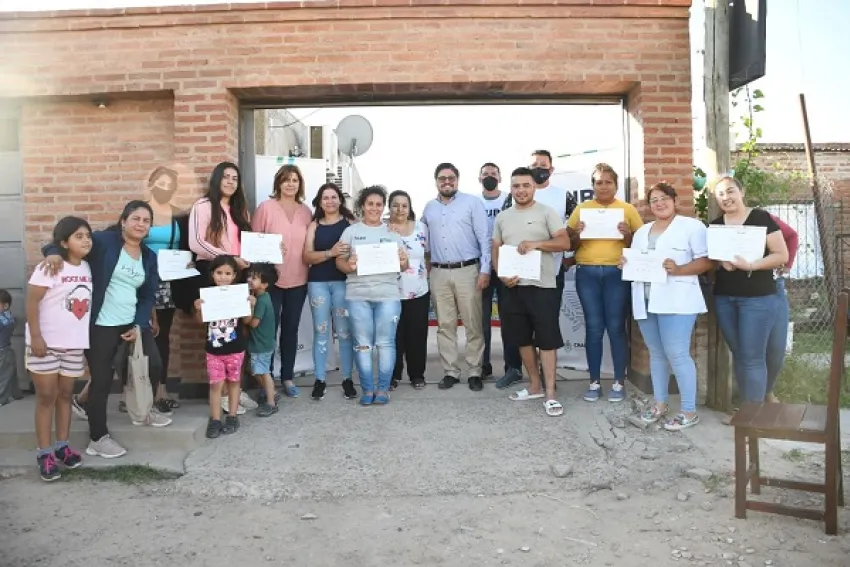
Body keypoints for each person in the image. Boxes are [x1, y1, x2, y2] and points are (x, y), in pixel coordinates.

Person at [42, 201, 170, 459]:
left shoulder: (149, 257)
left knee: (154, 365)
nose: (140, 224)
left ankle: (144, 409)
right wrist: (52, 253)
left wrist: (139, 323)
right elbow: (66, 241)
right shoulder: (104, 242)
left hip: (132, 321)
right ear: (123, 221)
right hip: (101, 324)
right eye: (135, 219)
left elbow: (147, 296)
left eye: (146, 220)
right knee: (102, 380)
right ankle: (98, 437)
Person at [624, 183, 712, 431]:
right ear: (649, 206)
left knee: (677, 353)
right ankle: (660, 403)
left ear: (675, 201)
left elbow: (707, 261)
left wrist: (680, 269)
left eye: (664, 198)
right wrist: (626, 263)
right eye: (654, 200)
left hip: (678, 299)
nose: (659, 203)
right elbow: (638, 261)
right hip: (646, 300)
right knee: (656, 353)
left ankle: (689, 411)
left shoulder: (692, 227)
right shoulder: (642, 232)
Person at [492, 167, 571, 417]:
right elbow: (496, 248)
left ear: (534, 187)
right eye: (516, 186)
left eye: (526, 185)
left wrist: (537, 244)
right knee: (523, 339)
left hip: (542, 287)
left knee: (546, 340)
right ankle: (535, 386)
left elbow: (564, 242)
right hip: (513, 288)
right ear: (511, 189)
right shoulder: (502, 217)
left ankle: (550, 394)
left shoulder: (547, 212)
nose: (521, 190)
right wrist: (501, 274)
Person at [567, 163, 643, 403]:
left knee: (616, 327)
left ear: (616, 185)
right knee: (593, 328)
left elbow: (641, 245)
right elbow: (570, 244)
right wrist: (576, 234)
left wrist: (627, 235)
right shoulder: (582, 209)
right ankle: (594, 382)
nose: (603, 186)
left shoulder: (627, 209)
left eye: (608, 182)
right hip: (587, 273)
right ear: (593, 186)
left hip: (616, 273)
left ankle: (619, 382)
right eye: (598, 182)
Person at [711, 176, 788, 404]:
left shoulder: (760, 218)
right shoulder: (715, 226)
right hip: (725, 298)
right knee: (741, 355)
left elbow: (781, 255)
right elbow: (711, 258)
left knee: (752, 358)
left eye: (730, 191)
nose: (726, 197)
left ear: (741, 192)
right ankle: (749, 409)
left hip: (758, 298)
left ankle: (753, 416)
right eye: (720, 194)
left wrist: (752, 265)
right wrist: (719, 261)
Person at [25, 217, 92, 480]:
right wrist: (36, 336)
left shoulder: (87, 266)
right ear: (64, 242)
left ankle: (62, 447)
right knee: (46, 396)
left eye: (88, 235)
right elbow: (32, 301)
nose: (86, 240)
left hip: (74, 345)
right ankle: (44, 453)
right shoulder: (50, 266)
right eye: (79, 236)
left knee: (65, 395)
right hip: (46, 343)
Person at [188, 161, 257, 414]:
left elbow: (247, 243)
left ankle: (234, 388)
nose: (230, 181)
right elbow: (196, 242)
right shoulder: (203, 206)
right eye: (226, 177)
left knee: (239, 329)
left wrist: (260, 254)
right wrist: (228, 259)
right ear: (217, 179)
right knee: (218, 331)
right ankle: (223, 395)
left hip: (237, 273)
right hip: (214, 273)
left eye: (234, 178)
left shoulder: (239, 209)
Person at [421, 163, 490, 392]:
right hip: (439, 272)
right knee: (445, 325)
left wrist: (485, 270)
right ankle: (450, 371)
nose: (447, 182)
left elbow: (484, 238)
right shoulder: (429, 208)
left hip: (467, 271)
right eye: (442, 178)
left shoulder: (472, 203)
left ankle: (475, 371)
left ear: (457, 180)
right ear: (436, 181)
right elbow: (423, 241)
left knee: (473, 323)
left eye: (451, 178)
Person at [336, 186, 408, 406]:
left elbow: (404, 265)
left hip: (388, 295)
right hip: (358, 295)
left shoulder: (392, 233)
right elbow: (339, 262)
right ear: (362, 206)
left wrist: (403, 261)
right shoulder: (350, 232)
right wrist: (349, 265)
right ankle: (367, 389)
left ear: (383, 207)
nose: (374, 208)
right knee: (362, 344)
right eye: (370, 204)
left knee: (385, 343)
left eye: (379, 204)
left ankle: (383, 389)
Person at [252, 164, 312, 400]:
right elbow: (253, 243)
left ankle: (287, 377)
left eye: (295, 180)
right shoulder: (265, 208)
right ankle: (265, 380)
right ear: (278, 182)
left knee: (291, 329)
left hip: (299, 279)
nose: (290, 184)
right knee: (268, 331)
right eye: (286, 180)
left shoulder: (306, 212)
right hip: (270, 282)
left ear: (300, 184)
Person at [144, 166, 193, 414]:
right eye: (160, 183)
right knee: (137, 336)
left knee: (161, 334)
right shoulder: (139, 212)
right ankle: (136, 392)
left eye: (169, 185)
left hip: (167, 282)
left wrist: (190, 261)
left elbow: (188, 245)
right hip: (140, 280)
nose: (164, 188)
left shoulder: (178, 216)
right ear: (151, 184)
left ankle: (160, 390)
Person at [302, 182, 356, 400]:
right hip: (318, 283)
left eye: (334, 197)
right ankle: (320, 379)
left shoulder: (350, 224)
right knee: (321, 331)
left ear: (340, 200)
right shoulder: (314, 225)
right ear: (319, 202)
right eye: (326, 197)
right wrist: (330, 253)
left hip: (344, 283)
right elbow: (307, 256)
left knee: (344, 332)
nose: (330, 201)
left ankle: (347, 379)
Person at [194, 255, 255, 438]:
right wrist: (198, 309)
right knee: (216, 386)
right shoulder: (207, 296)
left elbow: (247, 320)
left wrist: (251, 305)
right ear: (212, 274)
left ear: (234, 275)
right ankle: (215, 420)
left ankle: (232, 416)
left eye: (228, 273)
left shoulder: (238, 294)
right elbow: (200, 321)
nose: (223, 277)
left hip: (235, 349)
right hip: (214, 350)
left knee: (234, 383)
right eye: (219, 273)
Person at [478, 163, 522, 387]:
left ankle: (512, 367)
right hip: (483, 266)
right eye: (485, 174)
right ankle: (483, 366)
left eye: (493, 174)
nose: (489, 177)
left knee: (509, 319)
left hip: (506, 263)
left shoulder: (509, 199)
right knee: (482, 321)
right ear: (479, 178)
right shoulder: (474, 203)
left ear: (500, 178)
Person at [388, 190, 430, 390]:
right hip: (391, 291)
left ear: (410, 208)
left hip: (418, 291)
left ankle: (417, 374)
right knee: (393, 336)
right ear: (389, 207)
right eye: (395, 205)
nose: (400, 209)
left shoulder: (421, 228)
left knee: (417, 334)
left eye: (404, 205)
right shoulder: (383, 229)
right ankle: (393, 374)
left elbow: (428, 254)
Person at [765, 214, 799, 403]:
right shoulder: (724, 224)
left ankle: (768, 391)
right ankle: (751, 399)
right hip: (742, 290)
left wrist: (787, 265)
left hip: (773, 284)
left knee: (776, 346)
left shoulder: (764, 217)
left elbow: (792, 235)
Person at [245, 263, 279, 417]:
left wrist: (250, 307)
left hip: (261, 344)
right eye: (249, 276)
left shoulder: (261, 301)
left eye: (255, 278)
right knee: (256, 370)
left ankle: (271, 403)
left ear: (265, 284)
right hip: (261, 343)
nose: (250, 280)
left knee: (263, 372)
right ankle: (272, 392)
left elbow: (253, 323)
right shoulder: (263, 297)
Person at [0, 288, 21, 406]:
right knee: (10, 372)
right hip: (6, 349)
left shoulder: (2, 319)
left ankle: (1, 398)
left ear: (5, 305)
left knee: (3, 375)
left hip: (3, 351)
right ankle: (15, 393)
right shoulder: (9, 317)